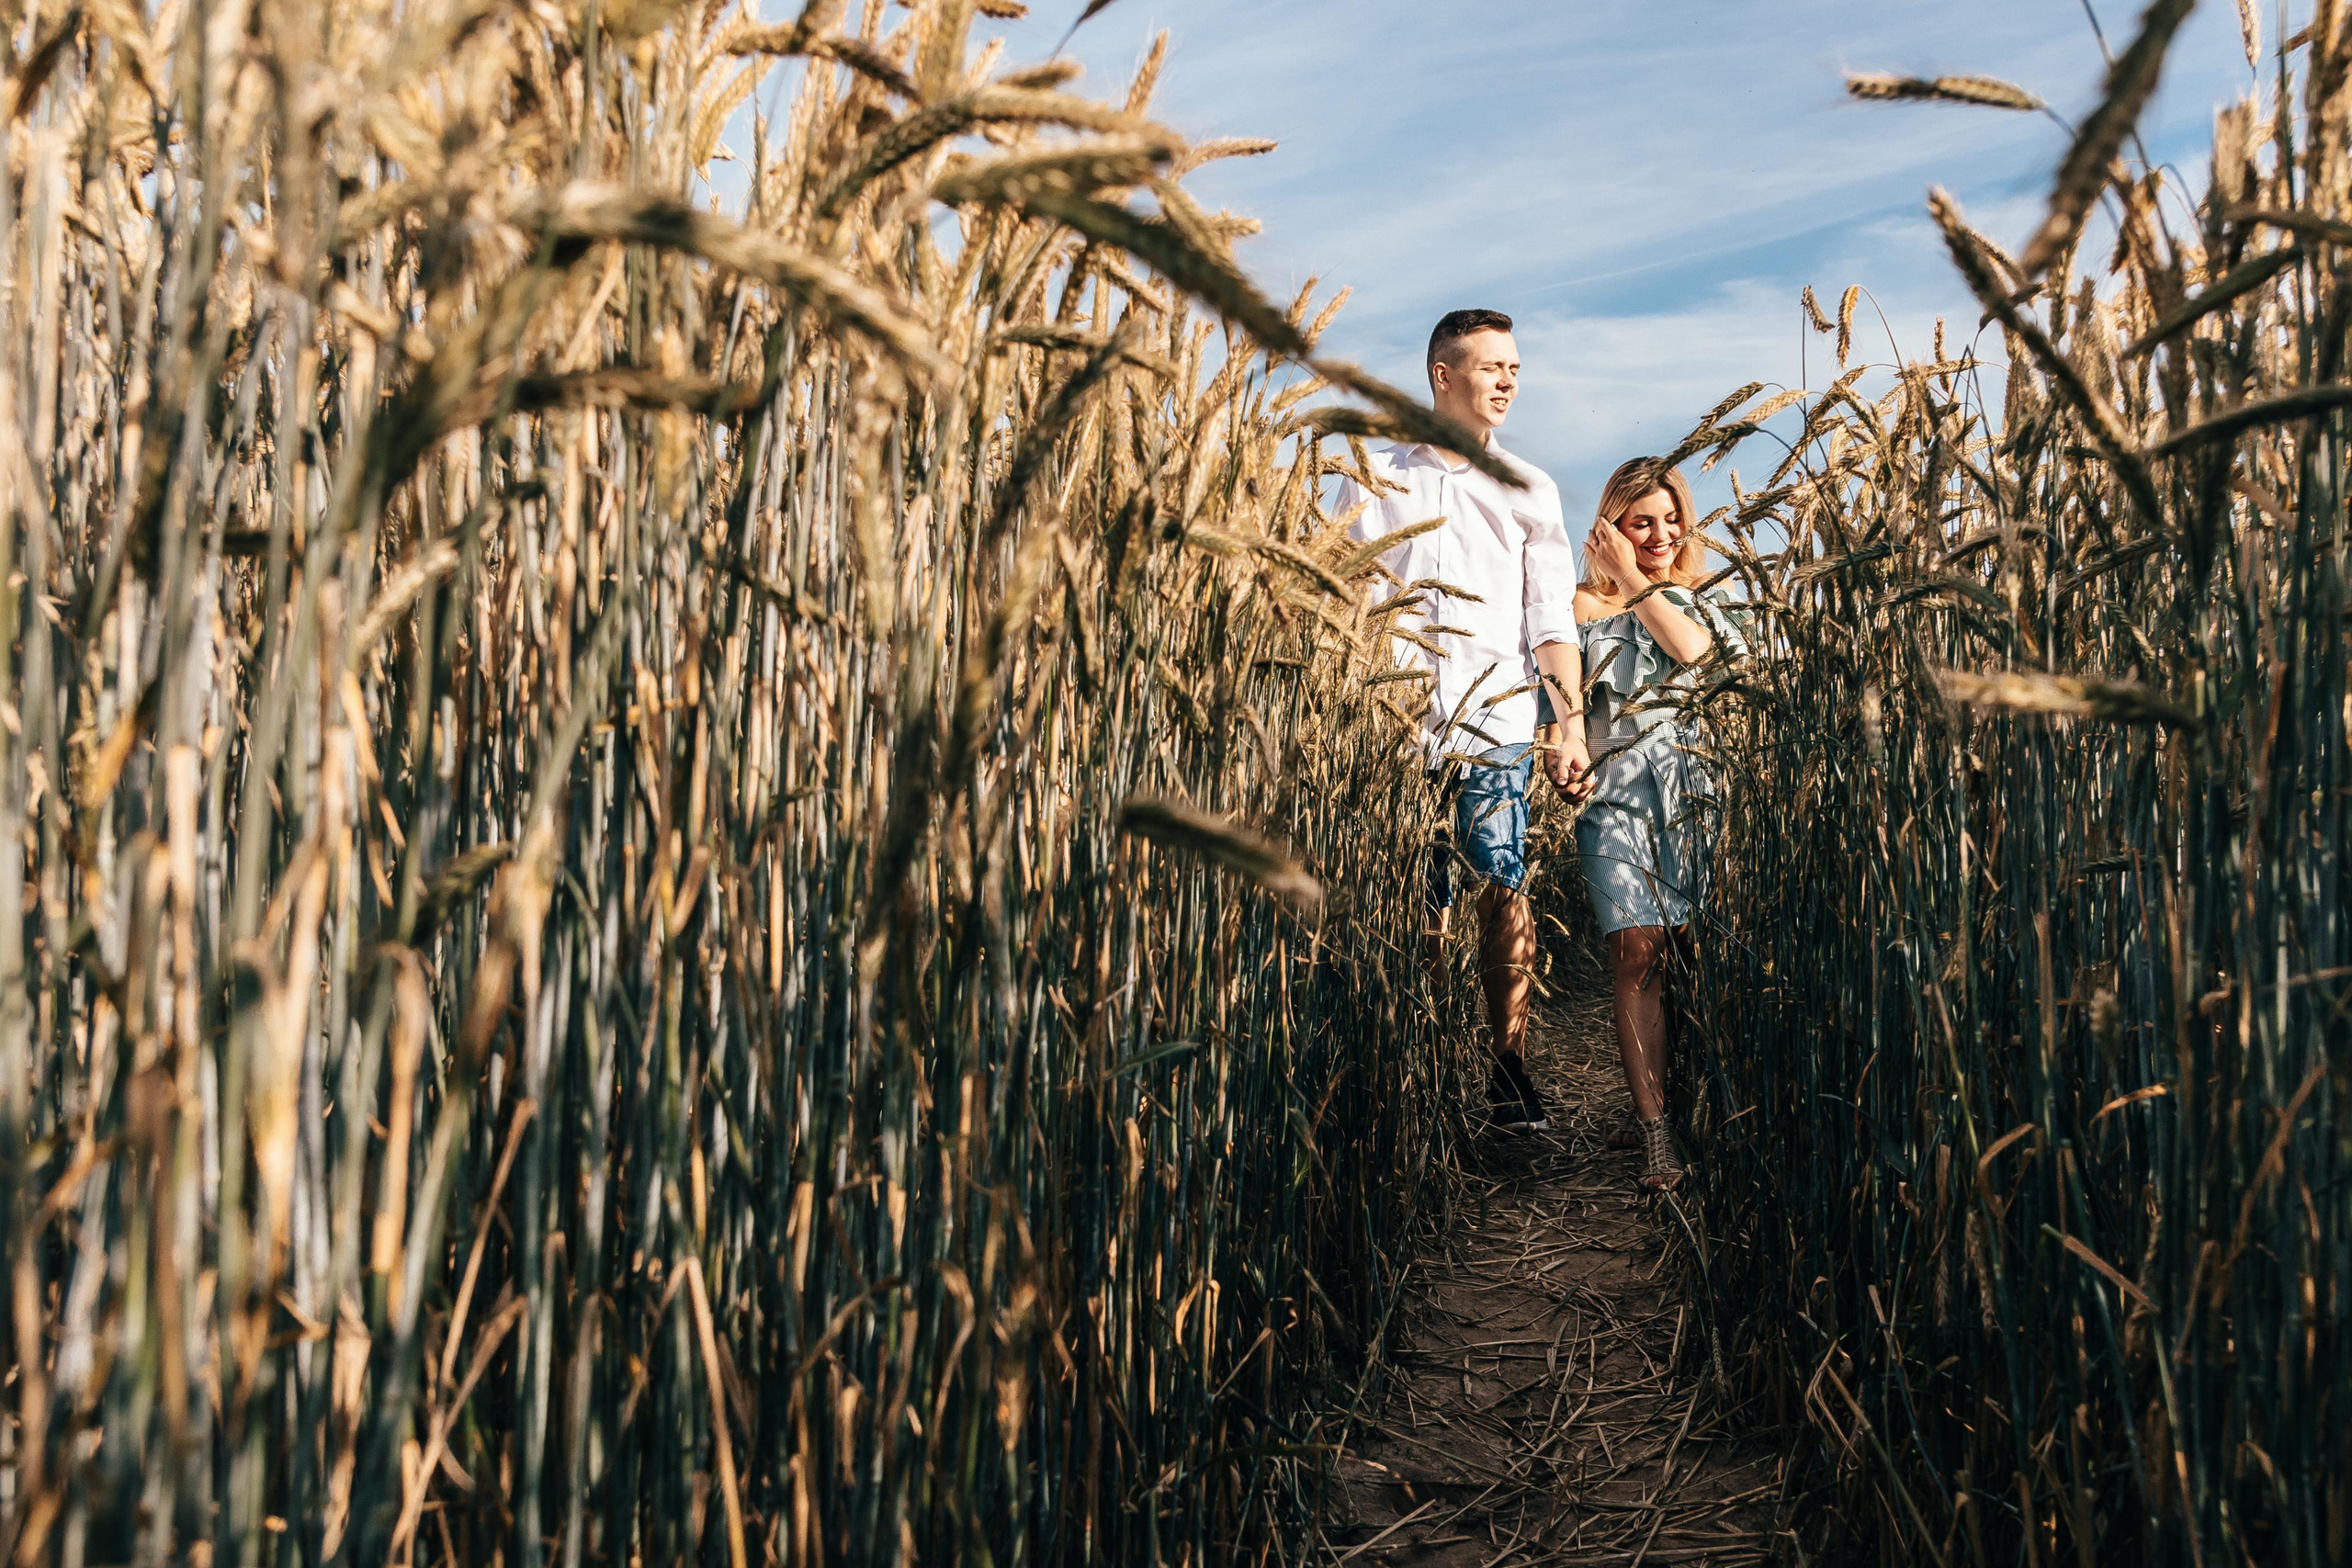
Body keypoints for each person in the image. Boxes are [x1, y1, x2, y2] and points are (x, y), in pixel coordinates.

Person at [1333, 308, 1593, 1134]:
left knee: (1503, 884)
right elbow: (1341, 597)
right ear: (1443, 375)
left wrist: (1571, 729)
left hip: (1497, 724)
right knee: (1420, 901)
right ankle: (1417, 1060)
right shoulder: (1373, 477)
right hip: (1394, 723)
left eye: (1515, 367)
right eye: (1492, 366)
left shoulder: (1530, 488)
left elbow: (1550, 622)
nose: (1510, 380)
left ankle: (1507, 1066)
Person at [1572, 457, 1744, 1190]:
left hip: (1699, 787)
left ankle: (1705, 1104)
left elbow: (1695, 653)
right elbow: (1561, 695)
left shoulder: (1707, 594)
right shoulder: (1579, 604)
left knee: (1694, 950)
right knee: (1636, 954)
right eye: (1642, 521)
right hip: (1616, 795)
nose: (1661, 534)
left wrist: (1640, 584)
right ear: (1613, 523)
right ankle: (1656, 1137)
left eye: (1672, 519)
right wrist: (1564, 745)